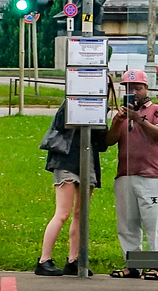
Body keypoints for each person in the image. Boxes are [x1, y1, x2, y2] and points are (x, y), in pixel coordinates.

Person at [35, 101, 106, 276]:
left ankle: (73, 260)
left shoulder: (101, 106)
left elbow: (103, 144)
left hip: (87, 161)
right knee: (63, 213)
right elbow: (60, 124)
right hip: (66, 159)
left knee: (80, 214)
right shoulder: (71, 102)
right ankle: (44, 260)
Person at [106, 69, 158, 279]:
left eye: (138, 88)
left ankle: (155, 265)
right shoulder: (122, 114)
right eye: (129, 88)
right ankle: (134, 265)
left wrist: (139, 119)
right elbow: (109, 141)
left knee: (153, 223)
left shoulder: (154, 110)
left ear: (147, 89)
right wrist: (118, 121)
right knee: (127, 224)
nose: (134, 92)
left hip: (152, 175)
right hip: (125, 174)